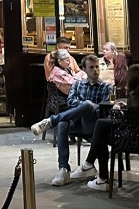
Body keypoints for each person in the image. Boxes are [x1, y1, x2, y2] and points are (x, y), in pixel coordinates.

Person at [79, 63, 139, 190]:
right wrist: (126, 108)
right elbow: (138, 115)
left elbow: (128, 123)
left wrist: (117, 110)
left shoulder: (135, 96)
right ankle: (91, 167)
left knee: (101, 133)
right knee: (102, 125)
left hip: (138, 139)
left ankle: (100, 176)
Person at [31, 54, 113, 186]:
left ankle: (51, 120)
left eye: (97, 67)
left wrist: (88, 106)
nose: (95, 70)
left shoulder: (106, 87)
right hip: (77, 122)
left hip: (95, 125)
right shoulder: (78, 84)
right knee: (62, 124)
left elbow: (105, 108)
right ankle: (63, 169)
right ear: (84, 70)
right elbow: (70, 101)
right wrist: (85, 106)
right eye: (91, 67)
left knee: (88, 105)